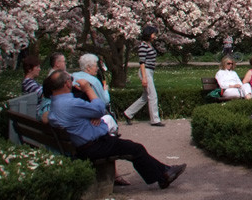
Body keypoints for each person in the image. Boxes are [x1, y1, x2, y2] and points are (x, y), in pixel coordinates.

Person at [45, 71, 186, 189]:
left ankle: (165, 172)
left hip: (85, 145)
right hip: (93, 146)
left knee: (132, 148)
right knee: (135, 149)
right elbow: (100, 109)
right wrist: (88, 89)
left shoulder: (57, 104)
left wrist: (90, 117)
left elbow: (78, 116)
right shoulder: (70, 104)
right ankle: (163, 176)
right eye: (71, 79)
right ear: (67, 84)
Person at [123, 25, 164, 126]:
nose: (155, 36)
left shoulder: (149, 45)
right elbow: (142, 62)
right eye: (153, 33)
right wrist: (144, 78)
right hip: (145, 71)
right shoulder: (143, 46)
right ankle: (155, 120)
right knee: (153, 95)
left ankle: (128, 113)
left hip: (150, 71)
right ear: (149, 34)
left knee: (145, 97)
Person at [73, 53, 118, 135]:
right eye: (96, 66)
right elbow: (105, 101)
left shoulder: (73, 76)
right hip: (93, 118)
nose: (97, 68)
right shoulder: (94, 81)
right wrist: (105, 90)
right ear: (88, 68)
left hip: (78, 115)